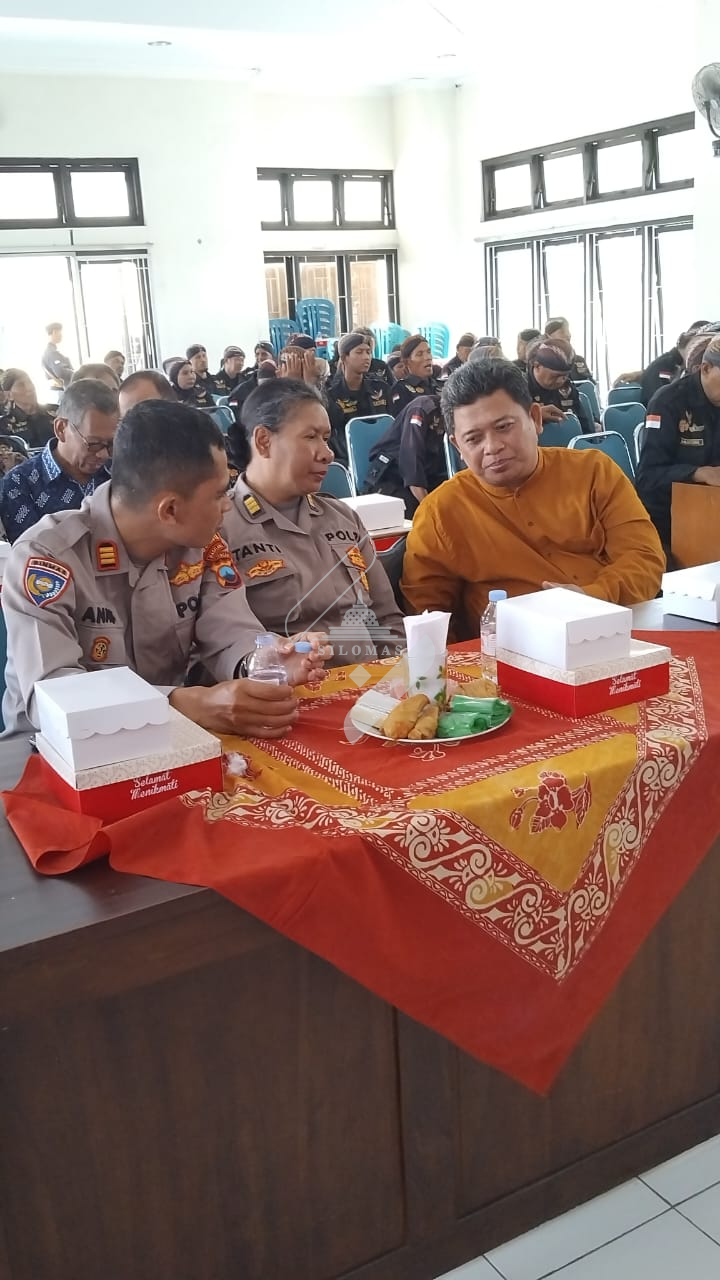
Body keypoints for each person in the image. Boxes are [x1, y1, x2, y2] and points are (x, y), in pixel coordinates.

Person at [2, 400, 328, 737]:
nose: (228, 506)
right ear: (170, 510)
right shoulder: (48, 559)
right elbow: (55, 695)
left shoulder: (202, 546)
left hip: (172, 740)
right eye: (219, 495)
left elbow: (230, 632)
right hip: (50, 749)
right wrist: (183, 705)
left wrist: (262, 660)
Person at [400, 359, 664, 641]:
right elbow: (427, 616)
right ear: (457, 447)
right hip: (507, 652)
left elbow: (644, 558)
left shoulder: (593, 472)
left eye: (504, 427)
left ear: (535, 419)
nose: (493, 447)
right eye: (474, 439)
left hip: (614, 631)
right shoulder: (441, 512)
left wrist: (591, 599)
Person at [222, 379, 404, 665]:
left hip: (369, 682)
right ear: (263, 441)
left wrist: (398, 677)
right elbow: (220, 646)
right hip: (285, 687)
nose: (327, 454)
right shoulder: (221, 529)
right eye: (310, 437)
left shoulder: (342, 518)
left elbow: (387, 620)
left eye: (326, 438)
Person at [0, 379, 117, 543]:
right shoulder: (19, 483)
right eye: (94, 444)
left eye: (111, 443)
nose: (103, 454)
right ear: (61, 429)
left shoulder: (119, 473)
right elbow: (28, 551)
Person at [635, 335, 720, 554]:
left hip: (712, 512)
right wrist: (697, 473)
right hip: (668, 522)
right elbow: (647, 478)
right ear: (706, 368)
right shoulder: (668, 402)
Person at [363, 394, 446, 517]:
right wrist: (431, 511)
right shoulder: (422, 408)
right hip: (391, 476)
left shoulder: (458, 415)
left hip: (426, 476)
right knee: (415, 513)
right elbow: (411, 462)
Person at [326, 333, 391, 465]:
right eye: (359, 352)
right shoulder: (332, 394)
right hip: (348, 458)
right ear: (344, 357)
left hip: (383, 455)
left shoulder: (381, 388)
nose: (366, 357)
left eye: (368, 352)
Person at [525, 337, 595, 433]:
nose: (560, 381)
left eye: (565, 376)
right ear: (537, 365)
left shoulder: (568, 389)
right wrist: (534, 415)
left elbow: (585, 428)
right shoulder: (518, 389)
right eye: (555, 376)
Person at [0, 369, 55, 447]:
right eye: (21, 385)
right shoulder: (4, 425)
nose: (30, 388)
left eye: (30, 382)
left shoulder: (56, 411)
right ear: (9, 395)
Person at [389, 335, 441, 415]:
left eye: (428, 352)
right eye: (419, 354)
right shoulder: (401, 389)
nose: (427, 357)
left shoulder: (439, 385)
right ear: (407, 362)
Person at [544, 317, 595, 382]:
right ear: (548, 336)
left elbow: (590, 382)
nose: (568, 335)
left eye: (568, 331)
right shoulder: (543, 362)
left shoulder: (578, 360)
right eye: (562, 332)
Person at [41, 322, 74, 390]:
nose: (61, 336)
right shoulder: (51, 352)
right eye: (60, 333)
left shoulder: (50, 351)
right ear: (54, 332)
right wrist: (77, 373)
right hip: (61, 390)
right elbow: (60, 372)